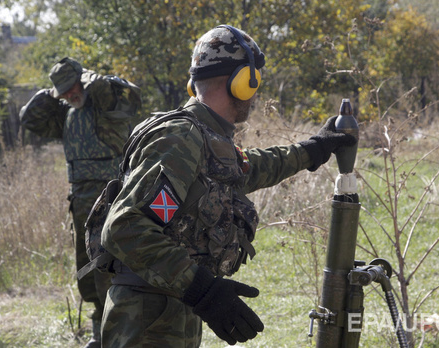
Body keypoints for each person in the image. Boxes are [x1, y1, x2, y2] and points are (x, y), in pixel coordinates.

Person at [100, 25, 356, 347]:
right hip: (146, 319)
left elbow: (250, 168)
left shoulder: (206, 138)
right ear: (244, 82)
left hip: (166, 309)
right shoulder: (181, 138)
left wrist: (313, 149)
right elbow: (125, 227)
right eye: (256, 81)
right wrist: (203, 289)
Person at [19, 57, 142, 348]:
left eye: (71, 87)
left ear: (82, 80)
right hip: (81, 202)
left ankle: (121, 335)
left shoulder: (104, 101)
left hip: (110, 196)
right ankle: (101, 335)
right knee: (87, 270)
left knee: (109, 266)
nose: (69, 95)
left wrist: (84, 78)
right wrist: (53, 92)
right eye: (62, 92)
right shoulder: (68, 113)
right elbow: (29, 118)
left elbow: (108, 88)